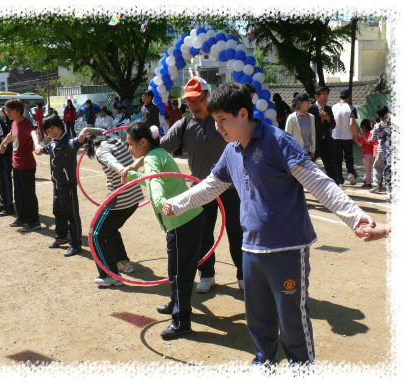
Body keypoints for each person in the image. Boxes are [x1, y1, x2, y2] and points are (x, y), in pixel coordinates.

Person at [162, 82, 375, 370]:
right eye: (215, 121)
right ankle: (264, 363)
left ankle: (302, 369)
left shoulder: (277, 141)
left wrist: (355, 217)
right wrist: (178, 203)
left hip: (287, 248)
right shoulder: (232, 151)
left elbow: (318, 182)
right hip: (250, 248)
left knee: (291, 320)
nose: (219, 128)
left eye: (223, 120)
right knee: (258, 316)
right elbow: (210, 186)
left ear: (242, 113)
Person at [121, 122, 205, 340]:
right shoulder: (159, 153)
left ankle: (181, 322)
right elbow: (153, 181)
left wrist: (160, 204)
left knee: (180, 274)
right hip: (189, 217)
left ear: (143, 142)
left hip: (180, 222)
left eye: (130, 144)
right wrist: (130, 177)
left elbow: (155, 185)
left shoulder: (150, 159)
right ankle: (175, 303)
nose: (129, 149)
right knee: (177, 270)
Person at [160, 76, 243, 293]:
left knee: (237, 233)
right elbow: (159, 148)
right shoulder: (185, 124)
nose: (194, 105)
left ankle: (244, 276)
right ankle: (207, 274)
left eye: (198, 100)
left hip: (231, 189)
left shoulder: (224, 120)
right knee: (203, 234)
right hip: (200, 190)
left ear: (209, 96)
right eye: (189, 101)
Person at [80, 127, 145, 286]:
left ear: (92, 147)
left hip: (119, 201)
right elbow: (102, 130)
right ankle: (123, 263)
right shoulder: (116, 140)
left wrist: (121, 170)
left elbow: (110, 160)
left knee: (95, 234)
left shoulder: (101, 150)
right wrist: (88, 129)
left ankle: (110, 275)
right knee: (110, 230)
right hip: (134, 198)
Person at [38, 114, 84, 256]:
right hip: (57, 184)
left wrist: (84, 133)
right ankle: (61, 237)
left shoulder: (69, 141)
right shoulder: (53, 142)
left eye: (53, 128)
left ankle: (75, 244)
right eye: (48, 131)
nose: (52, 133)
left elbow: (77, 142)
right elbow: (46, 148)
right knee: (57, 211)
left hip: (67, 185)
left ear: (60, 126)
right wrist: (39, 149)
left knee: (72, 215)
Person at [0, 98, 42, 232]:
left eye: (10, 110)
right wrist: (3, 144)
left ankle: (34, 221)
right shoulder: (14, 123)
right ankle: (22, 218)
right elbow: (11, 135)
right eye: (6, 110)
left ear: (19, 110)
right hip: (16, 165)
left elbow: (33, 133)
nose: (7, 113)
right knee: (18, 194)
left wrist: (37, 144)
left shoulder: (26, 123)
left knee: (28, 195)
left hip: (27, 166)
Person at [331, 88, 360, 186]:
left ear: (339, 97)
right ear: (349, 97)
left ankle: (339, 180)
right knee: (349, 157)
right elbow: (352, 124)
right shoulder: (351, 108)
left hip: (335, 137)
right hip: (347, 137)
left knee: (337, 159)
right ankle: (350, 173)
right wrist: (356, 135)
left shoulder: (333, 107)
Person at [307, 86, 337, 181]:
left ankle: (334, 188)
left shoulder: (328, 108)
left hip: (327, 143)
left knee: (331, 168)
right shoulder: (311, 109)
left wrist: (328, 118)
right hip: (315, 144)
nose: (325, 98)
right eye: (323, 95)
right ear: (316, 96)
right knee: (307, 165)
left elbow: (333, 125)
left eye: (327, 95)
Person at [285, 92, 316, 158]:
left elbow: (313, 135)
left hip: (308, 153)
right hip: (295, 153)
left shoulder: (311, 117)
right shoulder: (292, 118)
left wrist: (313, 149)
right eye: (307, 101)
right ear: (300, 102)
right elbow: (287, 137)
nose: (309, 103)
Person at [370, 106, 391, 199]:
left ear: (378, 115)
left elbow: (373, 139)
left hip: (381, 150)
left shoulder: (377, 126)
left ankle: (377, 186)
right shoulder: (390, 125)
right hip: (389, 150)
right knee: (388, 169)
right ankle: (389, 188)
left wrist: (375, 129)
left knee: (377, 168)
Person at [357, 119, 374, 188]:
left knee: (367, 169)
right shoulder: (371, 133)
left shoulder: (365, 135)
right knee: (370, 168)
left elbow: (360, 145)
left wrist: (357, 140)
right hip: (372, 153)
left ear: (363, 127)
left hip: (367, 154)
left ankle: (368, 182)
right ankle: (365, 179)